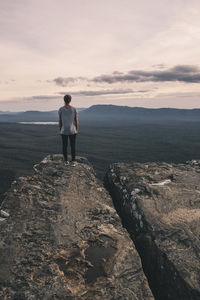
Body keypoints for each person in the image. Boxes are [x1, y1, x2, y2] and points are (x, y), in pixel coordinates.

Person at [58, 94, 78, 166]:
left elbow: (60, 121)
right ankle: (73, 162)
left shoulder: (61, 109)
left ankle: (66, 161)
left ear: (64, 100)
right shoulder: (74, 109)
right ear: (70, 100)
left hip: (64, 130)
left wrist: (60, 129)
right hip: (73, 130)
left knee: (64, 146)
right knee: (73, 146)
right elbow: (76, 120)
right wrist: (76, 129)